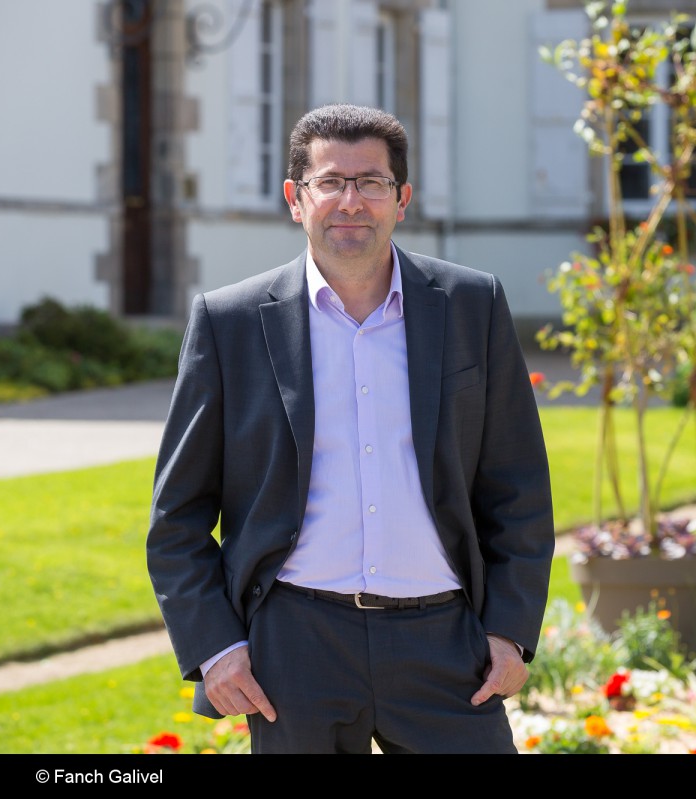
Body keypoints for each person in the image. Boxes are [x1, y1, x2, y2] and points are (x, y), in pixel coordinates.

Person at [146, 104, 555, 754]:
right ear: (295, 198)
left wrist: (509, 629)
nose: (351, 201)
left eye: (371, 183)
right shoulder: (229, 322)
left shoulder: (472, 305)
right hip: (294, 648)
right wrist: (216, 647)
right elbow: (177, 517)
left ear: (402, 199)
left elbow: (518, 487)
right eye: (330, 182)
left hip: (446, 645)